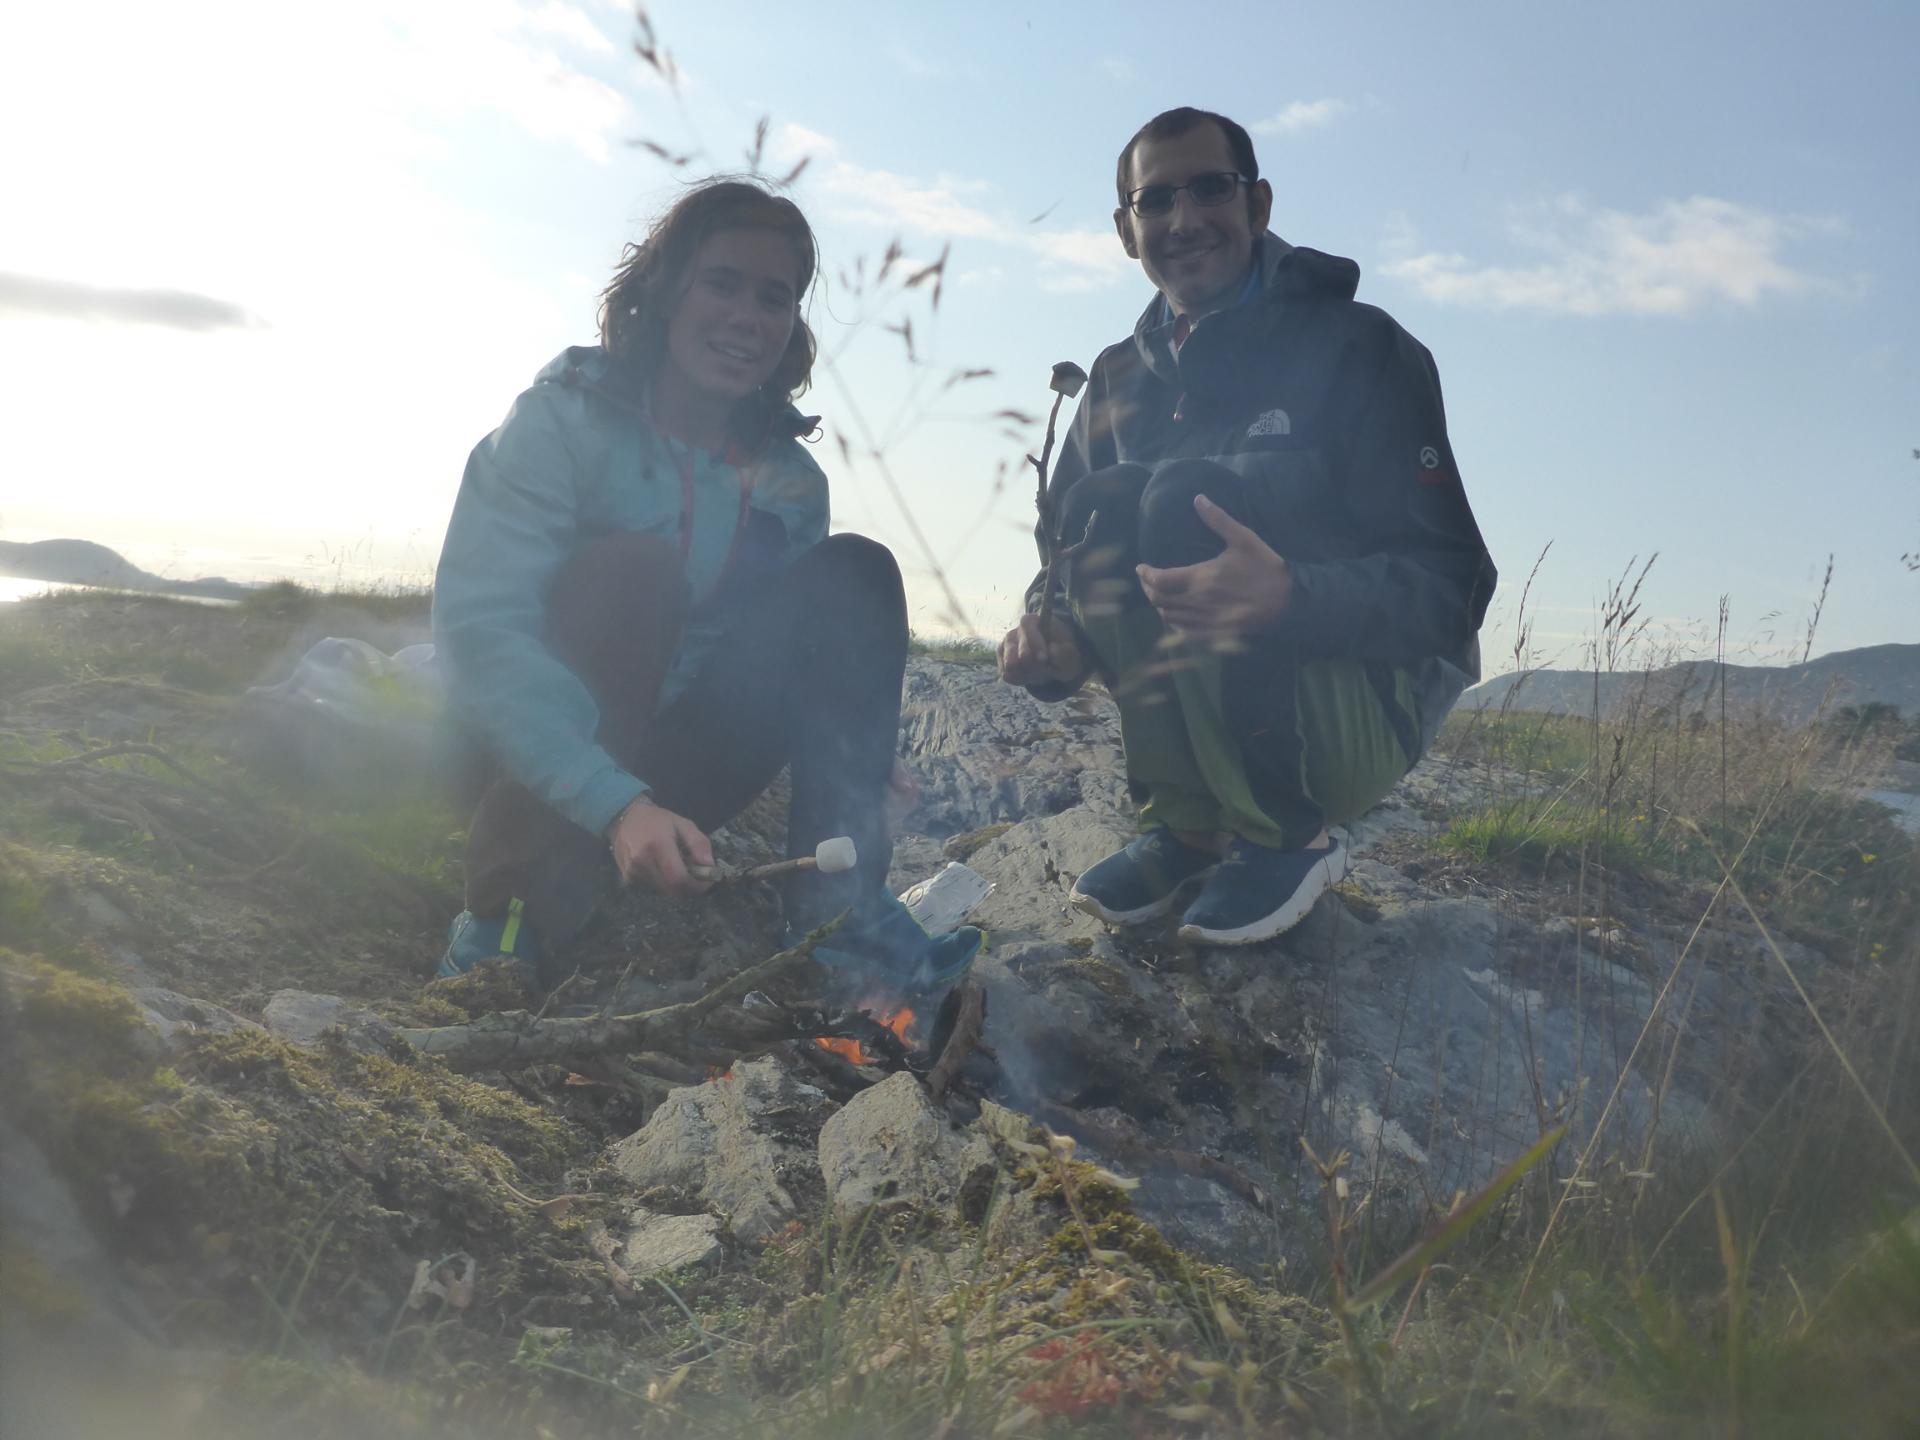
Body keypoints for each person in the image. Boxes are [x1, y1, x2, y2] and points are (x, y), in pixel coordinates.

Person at [432, 178, 982, 991]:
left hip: (674, 769)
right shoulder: (558, 423)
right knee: (635, 571)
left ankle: (839, 920)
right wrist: (614, 802)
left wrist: (852, 766)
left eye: (774, 297)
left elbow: (778, 660)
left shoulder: (791, 482)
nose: (747, 317)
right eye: (722, 283)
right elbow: (482, 633)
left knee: (857, 572)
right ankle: (507, 910)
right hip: (526, 759)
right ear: (663, 292)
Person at [998, 108, 1496, 947]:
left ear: (1258, 204)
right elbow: (1069, 565)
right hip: (1191, 734)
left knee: (1183, 496)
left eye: (1210, 189)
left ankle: (1289, 837)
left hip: (1347, 715)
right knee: (1108, 501)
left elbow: (1453, 589)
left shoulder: (1359, 348)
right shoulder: (1116, 380)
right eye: (1157, 200)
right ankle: (1188, 828)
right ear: (1125, 230)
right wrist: (1059, 646)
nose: (1184, 218)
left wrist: (1291, 595)